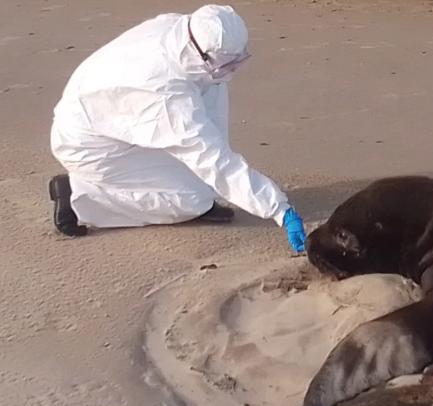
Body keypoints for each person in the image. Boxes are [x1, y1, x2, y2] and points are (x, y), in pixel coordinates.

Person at [48, 4, 307, 253]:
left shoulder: (181, 28)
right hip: (91, 145)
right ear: (201, 54)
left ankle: (217, 187)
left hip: (112, 117)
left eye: (237, 62)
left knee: (214, 87)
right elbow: (212, 160)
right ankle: (79, 196)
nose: (233, 72)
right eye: (227, 65)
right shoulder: (167, 96)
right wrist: (279, 210)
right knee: (194, 198)